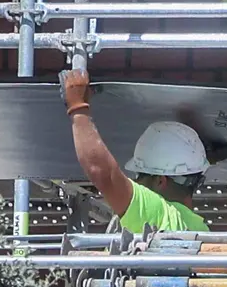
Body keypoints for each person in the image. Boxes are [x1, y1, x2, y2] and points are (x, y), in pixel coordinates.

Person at [59, 69, 210, 233]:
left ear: (160, 181)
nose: (136, 183)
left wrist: (77, 107)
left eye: (140, 177)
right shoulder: (199, 228)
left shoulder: (157, 213)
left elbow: (103, 173)